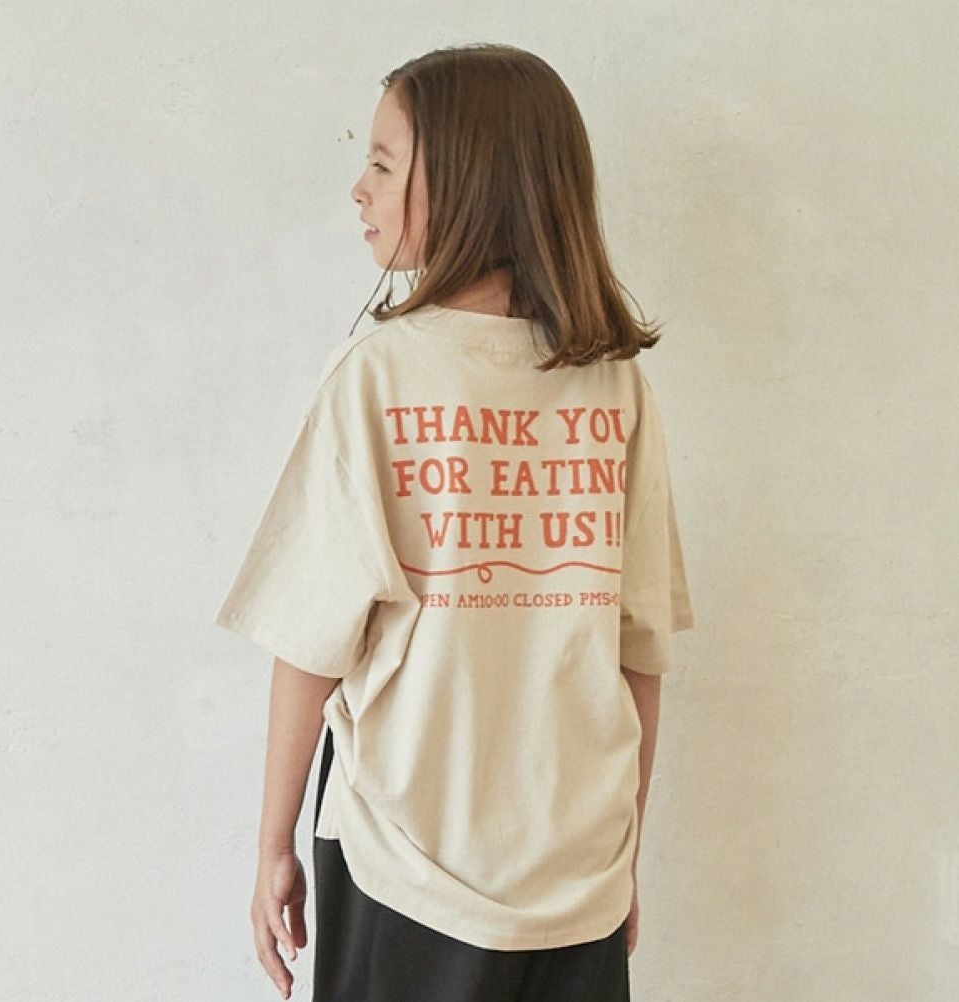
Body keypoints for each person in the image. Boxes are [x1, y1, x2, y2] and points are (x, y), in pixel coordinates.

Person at [214, 42, 695, 1001]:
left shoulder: (378, 376)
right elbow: (639, 649)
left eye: (384, 163)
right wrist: (623, 852)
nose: (359, 188)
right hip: (576, 873)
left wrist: (273, 846)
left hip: (403, 858)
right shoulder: (614, 385)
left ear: (471, 183)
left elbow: (311, 639)